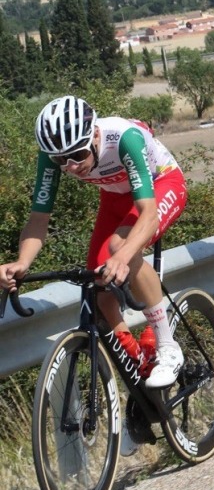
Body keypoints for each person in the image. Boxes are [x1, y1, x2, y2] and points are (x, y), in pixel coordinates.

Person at [0, 96, 187, 390]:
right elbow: (38, 219)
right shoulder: (52, 155)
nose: (71, 166)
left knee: (120, 249)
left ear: (95, 135)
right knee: (98, 288)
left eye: (78, 154)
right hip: (115, 197)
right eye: (61, 160)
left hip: (161, 185)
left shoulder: (124, 138)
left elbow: (148, 215)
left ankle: (167, 346)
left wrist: (123, 256)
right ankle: (138, 361)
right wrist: (22, 262)